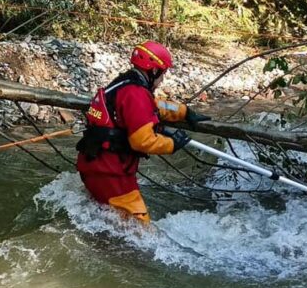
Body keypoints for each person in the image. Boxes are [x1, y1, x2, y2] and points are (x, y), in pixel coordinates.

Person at [75, 41, 209, 224]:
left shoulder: (125, 83)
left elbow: (153, 106)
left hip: (93, 165)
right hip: (113, 174)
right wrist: (172, 144)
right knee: (141, 235)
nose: (162, 80)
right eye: (163, 74)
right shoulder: (135, 93)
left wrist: (184, 112)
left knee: (106, 219)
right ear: (154, 71)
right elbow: (142, 141)